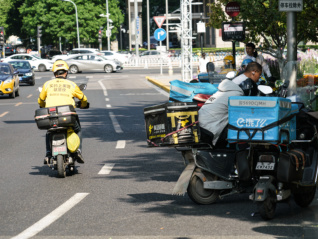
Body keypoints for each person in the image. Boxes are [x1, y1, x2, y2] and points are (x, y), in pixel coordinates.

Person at [38, 60, 88, 164]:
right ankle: (78, 151)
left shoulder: (47, 84)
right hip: (68, 116)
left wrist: (43, 106)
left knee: (49, 132)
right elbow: (83, 99)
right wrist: (83, 105)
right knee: (78, 130)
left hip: (51, 116)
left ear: (54, 73)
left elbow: (40, 100)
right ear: (66, 72)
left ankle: (48, 153)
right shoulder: (71, 85)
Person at [199, 78, 259, 147]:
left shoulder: (225, 91)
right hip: (208, 129)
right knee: (240, 128)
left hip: (201, 125)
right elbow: (245, 115)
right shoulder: (237, 96)